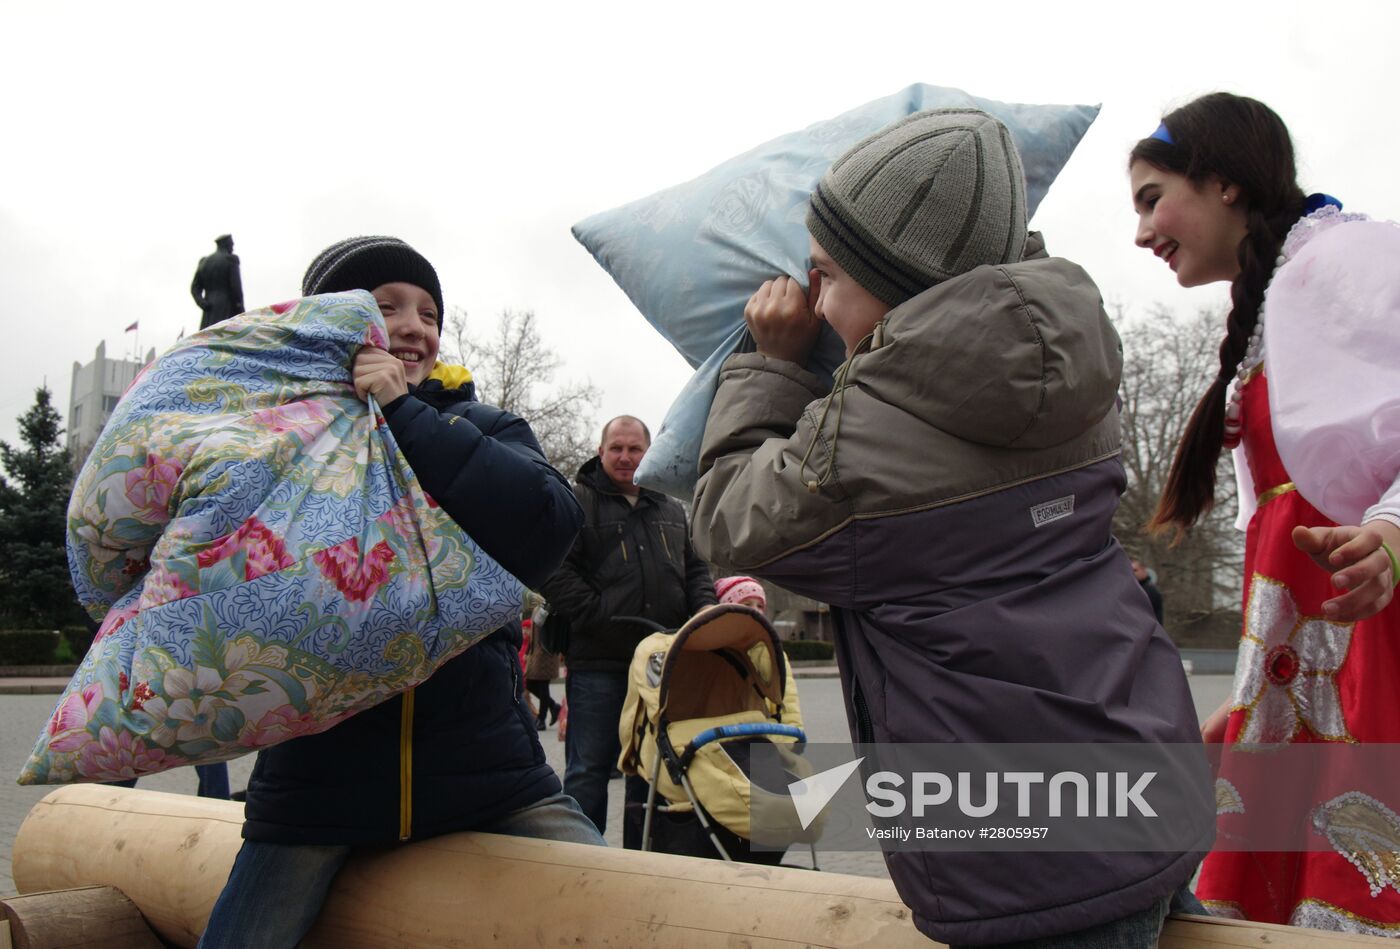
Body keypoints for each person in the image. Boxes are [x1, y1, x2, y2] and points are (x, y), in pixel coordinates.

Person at [692, 108, 1208, 947]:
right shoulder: (1075, 362)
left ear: (895, 284)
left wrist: (769, 365)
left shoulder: (861, 435)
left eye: (825, 274)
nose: (813, 301)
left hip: (1030, 862)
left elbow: (727, 519)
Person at [199, 236, 604, 949]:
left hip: (492, 773)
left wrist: (401, 411)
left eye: (428, 310)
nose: (414, 324)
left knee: (616, 906)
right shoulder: (290, 437)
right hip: (317, 790)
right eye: (386, 307)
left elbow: (549, 522)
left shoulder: (485, 426)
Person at [1130, 93, 1400, 932]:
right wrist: (1252, 688)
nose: (1140, 233)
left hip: (1372, 642)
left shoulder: (1347, 258)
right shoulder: (1272, 306)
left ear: (1223, 184)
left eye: (1151, 198)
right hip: (1305, 660)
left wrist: (1393, 526)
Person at [539, 415, 716, 834]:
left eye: (634, 449)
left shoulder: (672, 507)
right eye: (616, 448)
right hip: (598, 662)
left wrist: (705, 616)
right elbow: (554, 571)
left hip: (661, 666)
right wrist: (600, 615)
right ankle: (585, 865)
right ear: (601, 452)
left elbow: (695, 571)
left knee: (649, 770)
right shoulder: (575, 501)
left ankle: (641, 864)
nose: (624, 457)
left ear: (648, 452)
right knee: (588, 770)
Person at [191, 234, 245, 330]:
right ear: (226, 244)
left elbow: (195, 288)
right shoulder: (231, 259)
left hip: (209, 307)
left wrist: (202, 302)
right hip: (227, 306)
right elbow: (236, 288)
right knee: (224, 335)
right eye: (231, 245)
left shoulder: (204, 261)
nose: (232, 248)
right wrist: (241, 312)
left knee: (207, 335)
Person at [522, 616, 562, 729]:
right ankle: (553, 706)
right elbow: (534, 631)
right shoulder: (538, 607)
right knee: (530, 683)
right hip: (536, 652)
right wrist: (529, 650)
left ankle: (541, 719)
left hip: (546, 652)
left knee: (543, 686)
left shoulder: (549, 606)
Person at [1130, 557, 1165, 623]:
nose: (1132, 573)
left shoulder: (1150, 591)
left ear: (1143, 570)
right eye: (1130, 571)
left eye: (1135, 570)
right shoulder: (1134, 589)